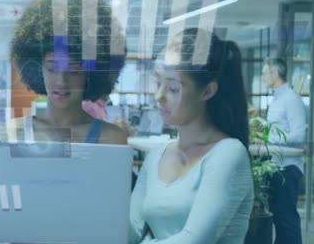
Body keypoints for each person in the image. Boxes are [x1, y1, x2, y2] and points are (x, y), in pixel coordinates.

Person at [129, 28, 254, 243]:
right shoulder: (156, 156)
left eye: (173, 89)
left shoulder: (228, 153)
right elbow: (130, 232)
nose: (159, 97)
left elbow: (194, 240)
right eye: (157, 83)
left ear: (207, 91)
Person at [8, 0, 128, 145]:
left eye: (73, 70)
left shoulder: (111, 138)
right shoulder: (15, 133)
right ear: (39, 70)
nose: (61, 81)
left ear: (90, 74)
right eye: (52, 69)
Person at [261, 57, 306, 244]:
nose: (263, 77)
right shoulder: (277, 99)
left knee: (287, 219)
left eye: (264, 73)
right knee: (277, 218)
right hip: (275, 167)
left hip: (287, 168)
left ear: (274, 73)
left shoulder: (291, 99)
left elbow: (298, 135)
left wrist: (269, 138)